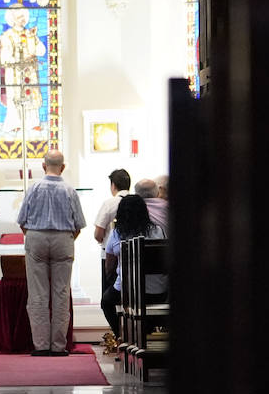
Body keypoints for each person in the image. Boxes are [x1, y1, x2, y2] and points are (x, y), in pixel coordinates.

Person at [16, 150, 86, 356]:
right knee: (61, 293)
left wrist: (34, 235)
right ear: (62, 167)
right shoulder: (69, 190)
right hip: (64, 238)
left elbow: (22, 220)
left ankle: (41, 345)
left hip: (36, 236)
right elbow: (79, 224)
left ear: (43, 166)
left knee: (38, 294)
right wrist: (66, 239)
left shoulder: (34, 188)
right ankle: (58, 346)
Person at [100, 194, 167, 337]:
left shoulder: (117, 234)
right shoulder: (158, 230)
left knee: (106, 301)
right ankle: (146, 333)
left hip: (129, 293)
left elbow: (109, 267)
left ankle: (122, 337)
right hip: (158, 292)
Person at [0, 4, 46, 137]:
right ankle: (14, 124)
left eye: (24, 17)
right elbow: (4, 57)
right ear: (12, 19)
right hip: (14, 73)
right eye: (19, 17)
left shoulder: (30, 34)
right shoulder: (7, 36)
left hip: (29, 72)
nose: (22, 20)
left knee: (32, 96)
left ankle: (33, 123)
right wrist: (17, 60)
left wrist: (34, 40)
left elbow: (41, 50)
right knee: (15, 98)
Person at [94, 169, 131, 294]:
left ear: (113, 185)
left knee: (109, 292)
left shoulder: (109, 204)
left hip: (110, 255)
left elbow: (98, 233)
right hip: (134, 254)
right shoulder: (137, 202)